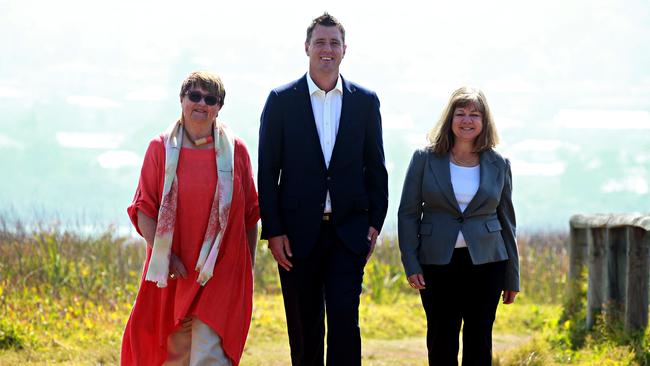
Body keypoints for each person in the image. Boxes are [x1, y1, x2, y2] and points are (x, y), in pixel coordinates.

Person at [258, 12, 388, 366]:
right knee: (304, 327)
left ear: (344, 49)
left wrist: (374, 223)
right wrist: (274, 231)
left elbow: (376, 167)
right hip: (296, 236)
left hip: (349, 232)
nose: (326, 50)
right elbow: (268, 172)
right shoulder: (281, 100)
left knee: (346, 323)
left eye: (334, 43)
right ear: (306, 47)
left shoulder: (365, 101)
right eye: (320, 42)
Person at [121, 71, 260, 366]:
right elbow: (144, 209)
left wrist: (246, 269)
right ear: (182, 100)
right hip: (172, 271)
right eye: (194, 96)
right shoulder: (159, 149)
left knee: (212, 356)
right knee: (173, 355)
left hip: (221, 272)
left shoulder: (237, 152)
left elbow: (250, 215)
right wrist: (166, 256)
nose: (202, 104)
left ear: (219, 107)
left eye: (210, 99)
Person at [397, 86, 519, 365]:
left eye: (474, 114)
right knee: (441, 339)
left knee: (479, 340)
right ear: (449, 119)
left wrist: (513, 276)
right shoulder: (424, 159)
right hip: (437, 263)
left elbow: (507, 222)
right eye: (460, 113)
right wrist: (411, 263)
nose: (467, 120)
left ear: (484, 122)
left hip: (488, 264)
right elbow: (408, 214)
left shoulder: (499, 164)